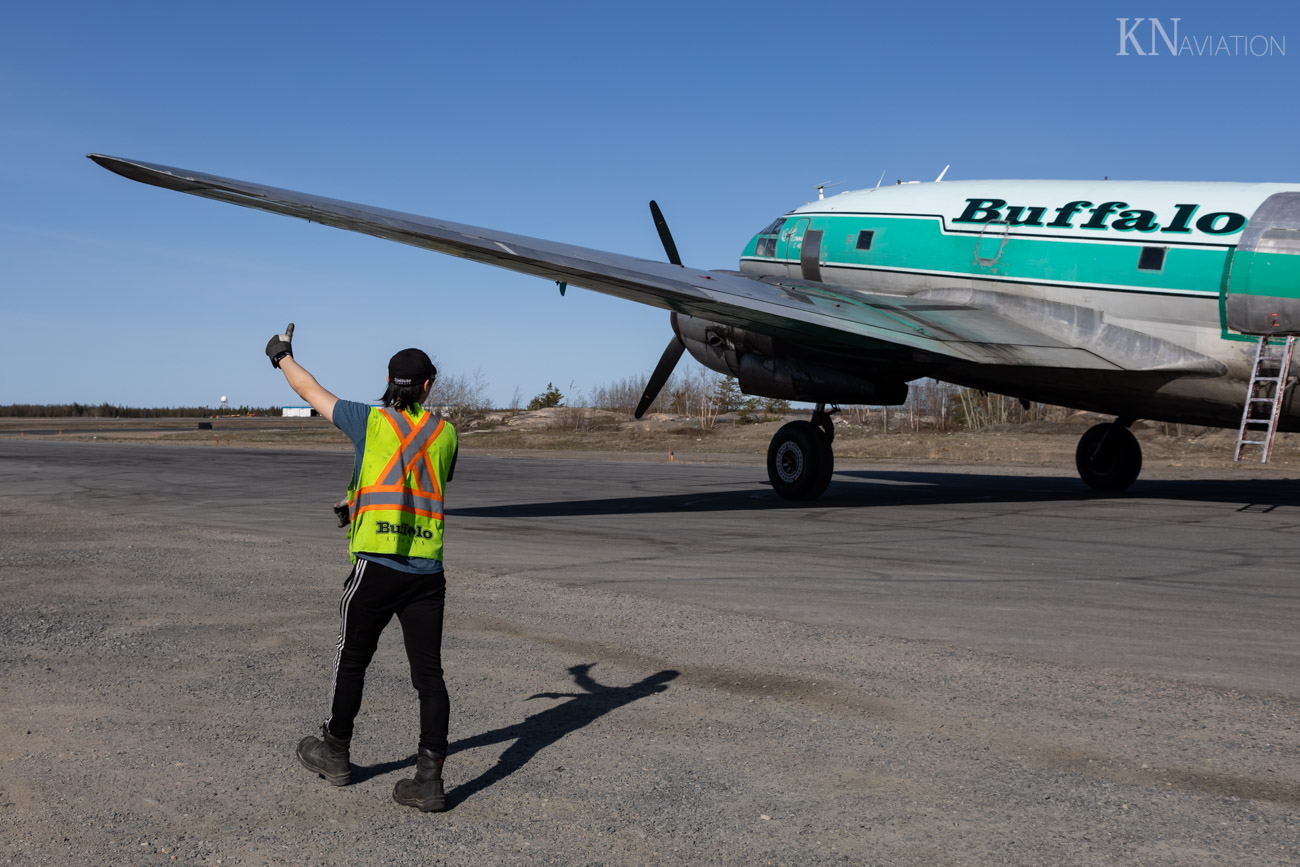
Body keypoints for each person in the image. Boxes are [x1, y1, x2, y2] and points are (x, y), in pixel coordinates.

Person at [265, 323, 457, 813]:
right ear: (429, 385)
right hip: (425, 574)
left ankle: (336, 752)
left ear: (390, 382)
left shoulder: (368, 421)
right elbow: (423, 477)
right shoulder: (447, 435)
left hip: (375, 567)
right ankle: (429, 781)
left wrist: (282, 356)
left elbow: (309, 390)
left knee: (352, 661)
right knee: (429, 676)